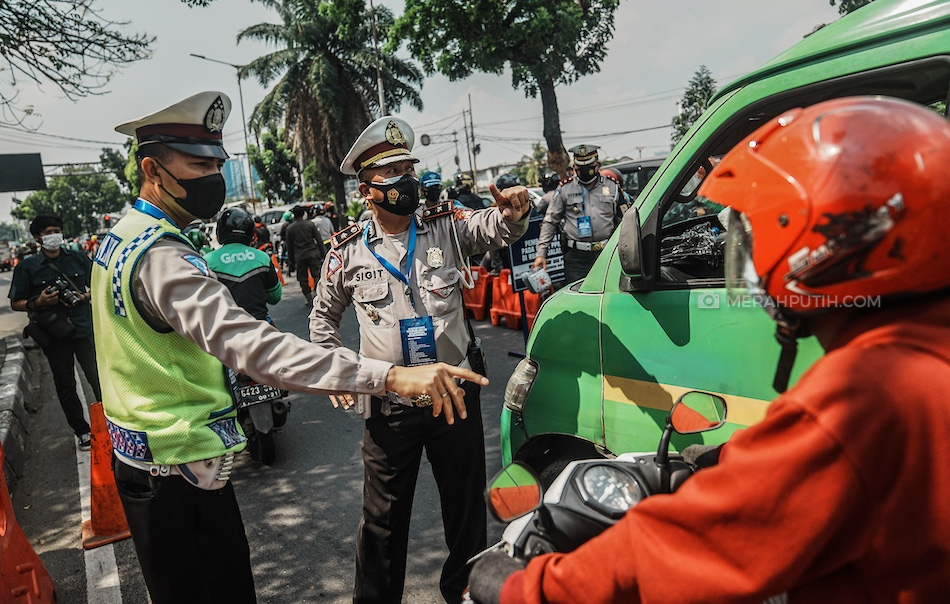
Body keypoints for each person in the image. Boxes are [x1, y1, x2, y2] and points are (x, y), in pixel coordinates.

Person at [470, 97, 950, 602]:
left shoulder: (870, 397)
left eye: (764, 233)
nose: (753, 263)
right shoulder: (919, 355)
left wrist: (528, 587)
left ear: (824, 243)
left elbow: (698, 546)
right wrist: (723, 461)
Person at [96, 92, 486, 604]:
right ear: (153, 168)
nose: (213, 175)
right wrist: (383, 377)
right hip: (178, 462)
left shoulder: (123, 237)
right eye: (198, 164)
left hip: (151, 454)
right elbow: (254, 345)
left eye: (218, 162)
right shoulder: (165, 255)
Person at [309, 115, 532, 604]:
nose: (407, 180)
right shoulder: (345, 252)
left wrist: (514, 214)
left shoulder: (443, 226)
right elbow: (322, 320)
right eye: (393, 174)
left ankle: (466, 593)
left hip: (455, 395)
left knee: (466, 517)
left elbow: (491, 229)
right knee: (382, 525)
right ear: (367, 191)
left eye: (409, 168)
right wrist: (335, 370)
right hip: (389, 404)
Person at [9, 215, 102, 450]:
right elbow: (16, 303)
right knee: (65, 384)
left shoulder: (78, 258)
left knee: (97, 377)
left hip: (82, 327)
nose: (54, 235)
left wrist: (85, 296)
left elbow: (100, 283)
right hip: (54, 334)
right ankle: (81, 431)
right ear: (38, 237)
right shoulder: (28, 267)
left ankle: (110, 422)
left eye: (57, 230)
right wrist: (38, 301)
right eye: (49, 231)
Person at [532, 144, 623, 284]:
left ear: (597, 165)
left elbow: (625, 219)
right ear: (574, 168)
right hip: (577, 258)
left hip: (607, 254)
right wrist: (541, 254)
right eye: (580, 168)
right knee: (580, 300)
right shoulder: (564, 189)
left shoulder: (612, 187)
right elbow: (550, 221)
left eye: (588, 168)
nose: (584, 172)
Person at [205, 208, 281, 320]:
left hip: (223, 329)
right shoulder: (262, 258)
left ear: (219, 233)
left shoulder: (207, 261)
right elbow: (275, 297)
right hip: (259, 326)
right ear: (251, 233)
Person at [284, 204, 326, 306]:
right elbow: (319, 241)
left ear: (294, 215)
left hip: (300, 256)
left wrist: (291, 261)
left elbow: (289, 247)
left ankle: (308, 298)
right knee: (316, 275)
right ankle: (318, 294)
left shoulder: (290, 229)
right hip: (313, 253)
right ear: (303, 214)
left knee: (303, 278)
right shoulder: (310, 225)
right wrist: (324, 254)